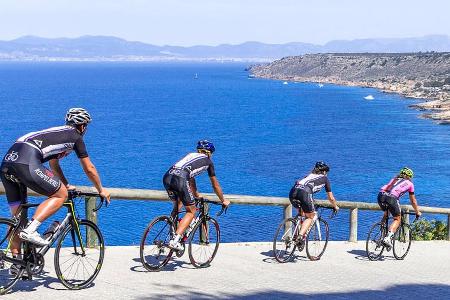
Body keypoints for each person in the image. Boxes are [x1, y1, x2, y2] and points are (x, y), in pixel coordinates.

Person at [0, 108, 111, 251]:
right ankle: (31, 230)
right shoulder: (76, 136)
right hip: (26, 161)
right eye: (86, 126)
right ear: (82, 126)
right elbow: (89, 168)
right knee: (61, 194)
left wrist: (65, 184)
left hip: (7, 163)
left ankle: (16, 261)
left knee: (18, 217)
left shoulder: (57, 133)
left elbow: (54, 164)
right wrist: (101, 190)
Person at [163, 140, 230, 251]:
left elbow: (191, 177)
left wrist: (195, 194)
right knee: (191, 211)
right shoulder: (208, 162)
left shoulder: (191, 155)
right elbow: (215, 185)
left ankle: (172, 231)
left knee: (178, 204)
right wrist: (223, 200)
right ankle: (175, 240)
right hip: (180, 179)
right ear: (210, 153)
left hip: (167, 177)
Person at [289, 161, 339, 246]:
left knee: (302, 213)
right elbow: (331, 198)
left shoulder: (309, 175)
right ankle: (300, 237)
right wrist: (335, 206)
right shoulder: (325, 178)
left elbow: (300, 183)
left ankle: (295, 235)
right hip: (305, 193)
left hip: (293, 191)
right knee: (310, 217)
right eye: (326, 173)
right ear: (324, 172)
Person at [378, 167, 421, 248]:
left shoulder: (395, 178)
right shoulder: (410, 184)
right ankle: (387, 238)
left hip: (381, 195)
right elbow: (413, 201)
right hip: (391, 198)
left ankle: (380, 235)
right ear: (410, 177)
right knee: (397, 218)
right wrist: (417, 211)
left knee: (386, 213)